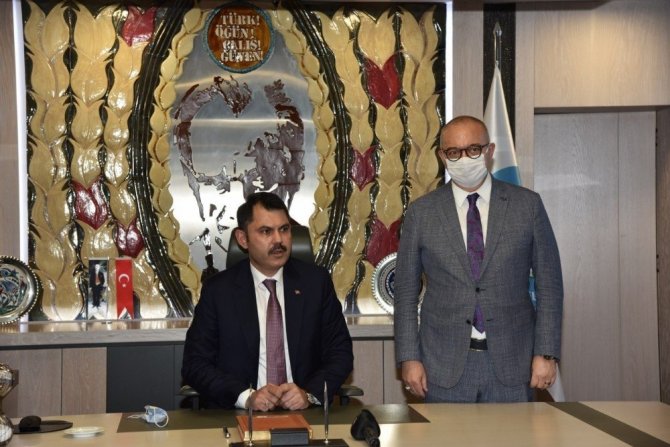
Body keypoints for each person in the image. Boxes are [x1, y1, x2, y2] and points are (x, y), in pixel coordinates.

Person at [394, 115, 563, 403]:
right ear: (442, 156)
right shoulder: (422, 213)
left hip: (514, 364)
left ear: (489, 151)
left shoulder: (527, 206)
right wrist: (409, 357)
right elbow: (406, 293)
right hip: (442, 367)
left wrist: (546, 353)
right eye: (453, 152)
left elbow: (550, 285)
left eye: (473, 149)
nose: (464, 159)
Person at [182, 192, 353, 410]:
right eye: (266, 231)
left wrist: (309, 394)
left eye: (284, 229)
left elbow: (340, 354)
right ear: (243, 239)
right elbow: (195, 364)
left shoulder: (316, 284)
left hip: (304, 412)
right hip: (240, 415)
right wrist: (246, 397)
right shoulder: (218, 291)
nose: (278, 240)